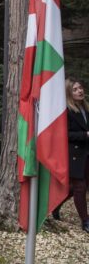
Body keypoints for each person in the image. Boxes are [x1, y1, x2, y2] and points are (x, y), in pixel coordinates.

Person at [53, 78, 89, 232]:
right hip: (73, 154)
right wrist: (85, 134)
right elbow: (63, 134)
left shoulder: (85, 108)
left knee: (77, 187)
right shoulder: (66, 111)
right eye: (75, 89)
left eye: (80, 88)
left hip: (86, 152)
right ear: (68, 93)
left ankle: (56, 205)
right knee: (80, 187)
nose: (80, 91)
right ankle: (85, 221)